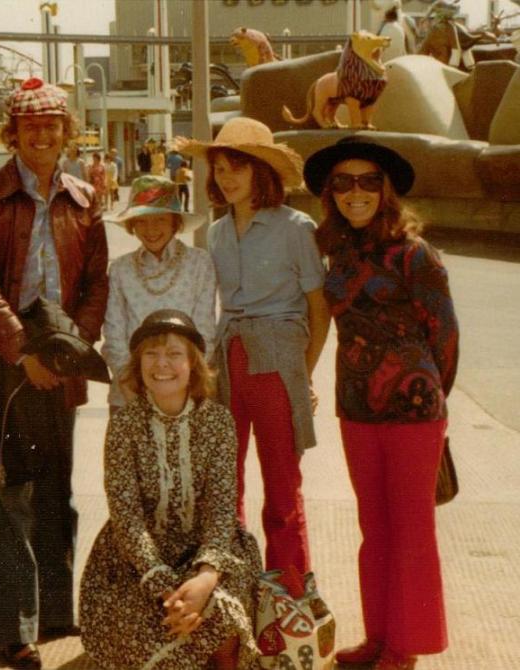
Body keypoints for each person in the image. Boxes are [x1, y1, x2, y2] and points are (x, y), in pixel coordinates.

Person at [0, 77, 108, 669]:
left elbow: (98, 283)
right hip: (8, 363)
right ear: (13, 133)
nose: (42, 135)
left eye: (52, 125)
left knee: (57, 488)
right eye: (30, 126)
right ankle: (7, 628)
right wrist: (24, 352)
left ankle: (52, 610)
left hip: (61, 357)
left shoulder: (83, 197)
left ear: (66, 131)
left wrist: (69, 350)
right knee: (8, 487)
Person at [304, 136, 459, 670]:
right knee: (374, 529)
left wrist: (426, 395)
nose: (356, 192)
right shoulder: (338, 249)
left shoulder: (416, 254)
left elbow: (445, 336)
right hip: (358, 409)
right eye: (343, 182)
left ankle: (404, 646)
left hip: (414, 412)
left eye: (368, 181)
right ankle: (376, 637)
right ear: (331, 192)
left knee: (411, 531)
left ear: (385, 189)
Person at [179, 117, 330, 576]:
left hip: (277, 356)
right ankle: (235, 589)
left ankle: (290, 593)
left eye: (236, 169)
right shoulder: (216, 233)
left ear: (261, 172)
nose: (225, 179)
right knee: (226, 483)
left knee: (282, 484)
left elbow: (318, 308)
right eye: (219, 169)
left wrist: (304, 374)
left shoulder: (296, 227)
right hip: (227, 357)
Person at [80, 309, 262, 670]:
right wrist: (168, 590)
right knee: (144, 626)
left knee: (224, 620)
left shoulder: (219, 422)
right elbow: (127, 519)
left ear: (193, 364)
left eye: (174, 354)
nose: (161, 364)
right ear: (138, 363)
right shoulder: (124, 425)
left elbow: (222, 509)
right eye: (151, 353)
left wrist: (206, 578)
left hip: (208, 550)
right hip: (139, 559)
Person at [103, 175, 215, 412]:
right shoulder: (121, 268)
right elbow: (113, 333)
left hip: (185, 392)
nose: (151, 229)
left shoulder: (199, 263)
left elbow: (204, 332)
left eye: (160, 220)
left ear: (176, 222)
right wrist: (129, 384)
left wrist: (180, 387)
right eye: (142, 221)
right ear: (132, 224)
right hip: (129, 393)